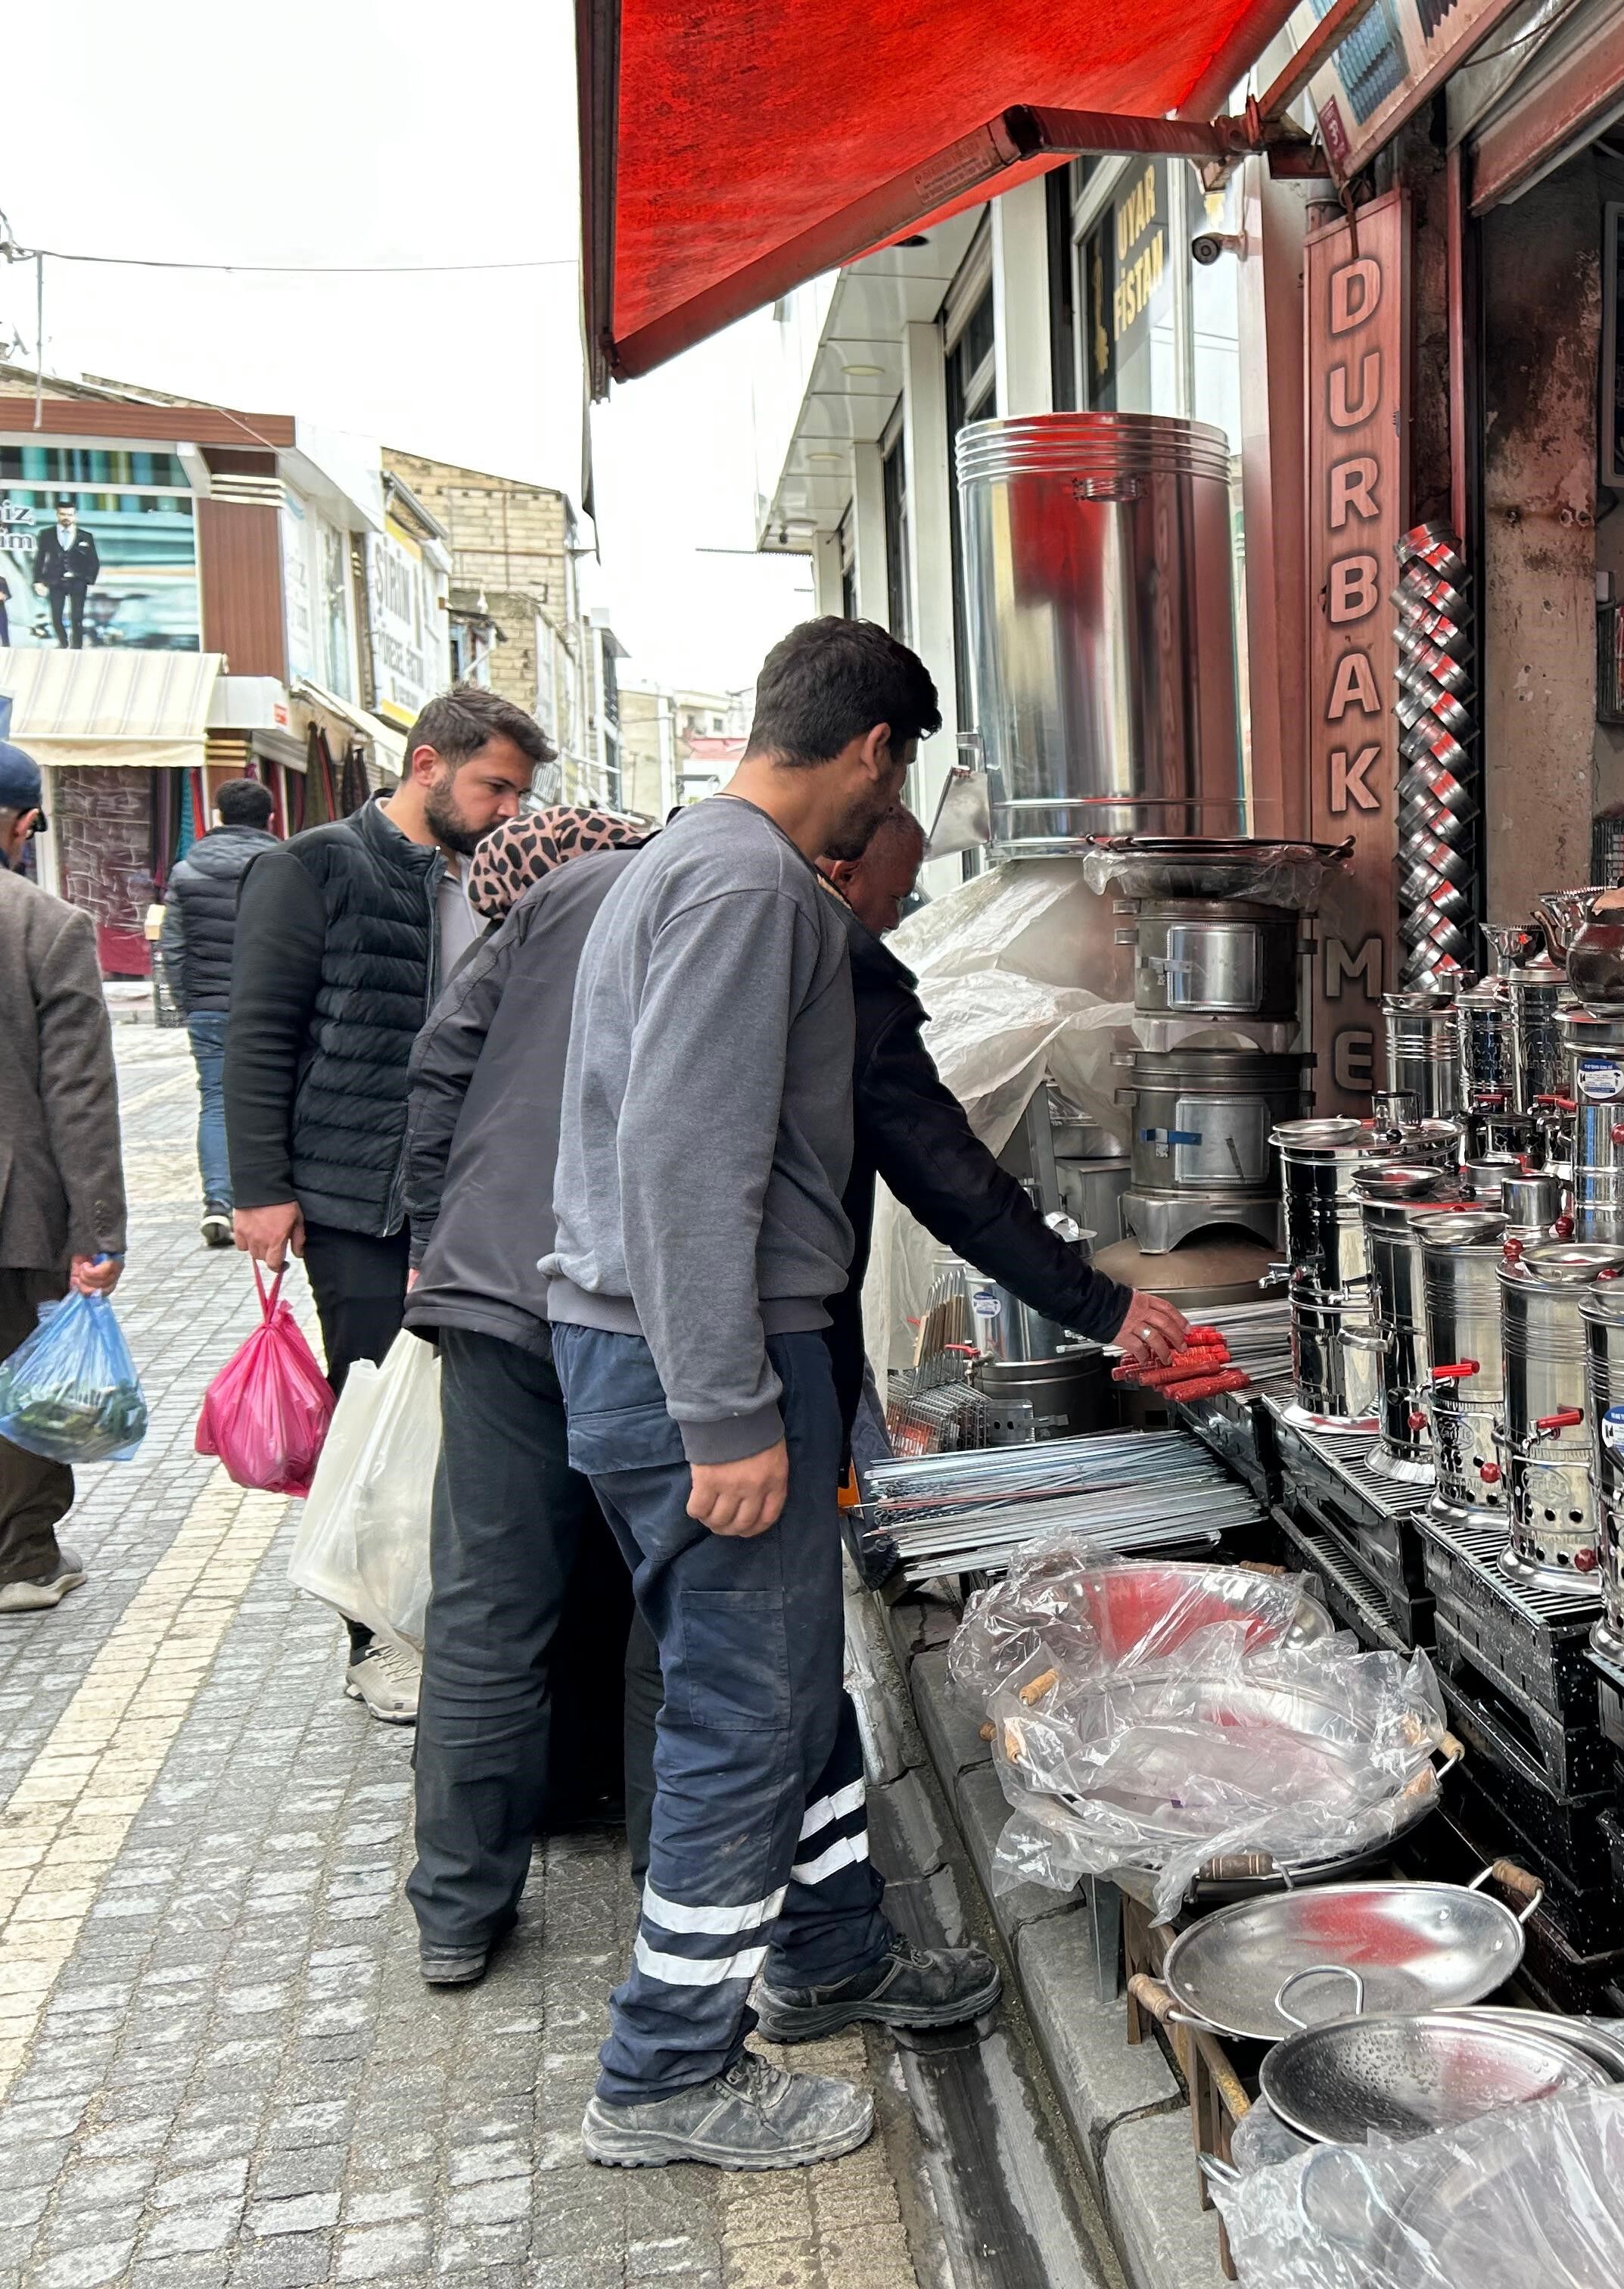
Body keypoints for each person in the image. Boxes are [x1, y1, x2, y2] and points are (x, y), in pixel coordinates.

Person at [549, 619, 997, 2172]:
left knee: (787, 1684)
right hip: (705, 1361)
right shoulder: (748, 888)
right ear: (875, 751)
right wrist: (729, 1413)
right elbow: (686, 1165)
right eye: (905, 776)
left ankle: (831, 1949)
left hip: (672, 1350)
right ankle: (665, 2074)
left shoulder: (687, 862)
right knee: (746, 1717)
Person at [226, 684, 548, 1721]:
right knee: (371, 1411)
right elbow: (258, 1035)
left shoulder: (485, 879)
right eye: (494, 784)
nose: (508, 808)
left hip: (466, 1200)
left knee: (460, 1423)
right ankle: (375, 1638)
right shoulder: (313, 866)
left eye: (520, 791)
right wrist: (261, 1190)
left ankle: (451, 1619)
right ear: (426, 765)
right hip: (354, 1199)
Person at [401, 807, 659, 1987]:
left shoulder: (545, 907)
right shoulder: (716, 896)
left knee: (487, 1608)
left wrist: (435, 1234)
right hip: (640, 1303)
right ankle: (677, 1885)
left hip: (496, 1288)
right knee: (673, 1601)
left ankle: (458, 1911)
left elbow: (442, 1059)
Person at [812, 808, 1185, 1444]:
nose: (900, 918)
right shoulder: (849, 982)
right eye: (897, 895)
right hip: (781, 1348)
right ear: (845, 876)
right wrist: (1097, 1304)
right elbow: (950, 1178)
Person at [0, 740, 125, 1613]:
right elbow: (77, 1093)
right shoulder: (44, 925)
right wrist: (99, 1232)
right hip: (17, 1206)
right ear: (23, 823)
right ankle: (20, 1557)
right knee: (20, 1371)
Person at [157, 777, 282, 1249]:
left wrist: (190, 1002)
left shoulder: (188, 872)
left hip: (210, 1008)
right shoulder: (284, 865)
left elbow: (174, 946)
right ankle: (269, 1198)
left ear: (219, 817)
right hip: (272, 1009)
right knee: (275, 1100)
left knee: (215, 1101)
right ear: (268, 819)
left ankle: (218, 1204)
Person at [34, 500, 98, 650]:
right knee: (56, 617)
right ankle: (63, 643)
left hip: (77, 582)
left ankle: (77, 647)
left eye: (69, 514)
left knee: (77, 617)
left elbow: (93, 560)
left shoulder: (85, 536)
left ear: (75, 516)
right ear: (57, 514)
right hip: (55, 580)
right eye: (63, 514)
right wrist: (38, 580)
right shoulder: (46, 534)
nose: (66, 517)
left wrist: (88, 579)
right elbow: (40, 558)